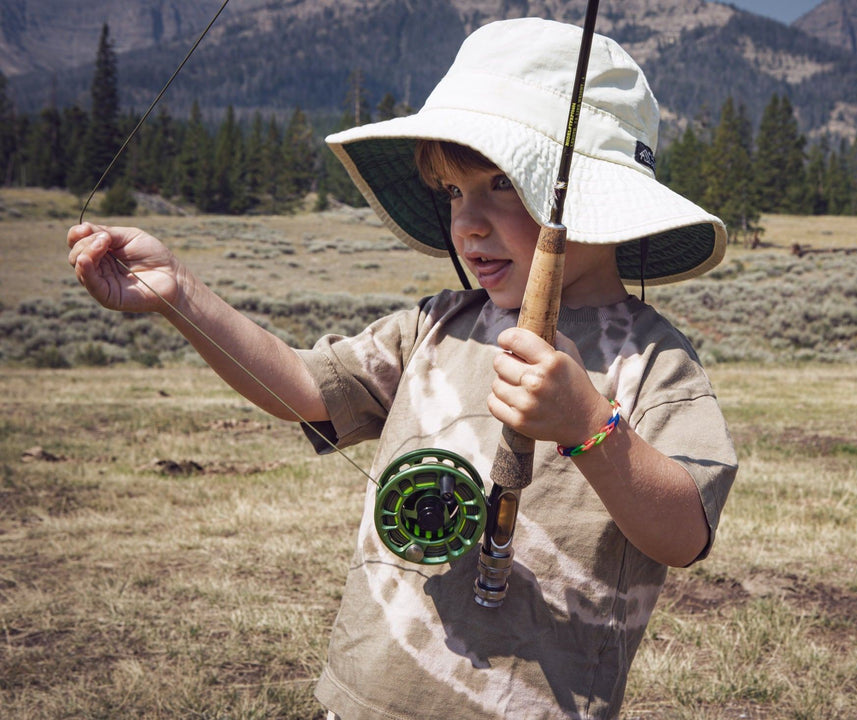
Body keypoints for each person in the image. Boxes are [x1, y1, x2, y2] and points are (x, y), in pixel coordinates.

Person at [67, 17, 737, 720]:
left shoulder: (655, 361)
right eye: (452, 192)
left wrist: (588, 426)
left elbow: (684, 534)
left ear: (598, 199)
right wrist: (180, 295)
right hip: (362, 697)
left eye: (501, 183)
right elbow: (302, 388)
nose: (467, 222)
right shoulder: (435, 323)